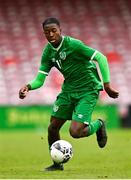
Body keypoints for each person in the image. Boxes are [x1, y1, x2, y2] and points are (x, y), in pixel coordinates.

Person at [19, 17, 119, 171]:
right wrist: (28, 86)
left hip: (88, 90)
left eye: (54, 31)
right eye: (47, 32)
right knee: (52, 128)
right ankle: (57, 165)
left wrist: (107, 85)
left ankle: (99, 124)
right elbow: (40, 79)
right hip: (68, 91)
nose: (51, 34)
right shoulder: (48, 52)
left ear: (60, 30)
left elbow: (101, 57)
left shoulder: (73, 45)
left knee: (76, 132)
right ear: (44, 33)